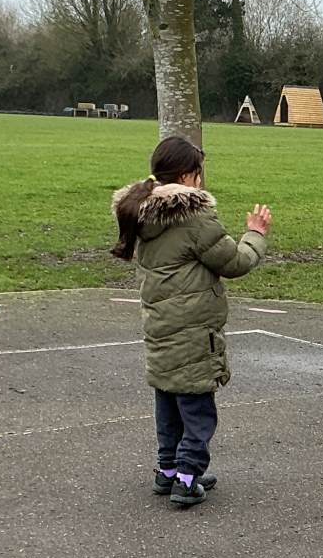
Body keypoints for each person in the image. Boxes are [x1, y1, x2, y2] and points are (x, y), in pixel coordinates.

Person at [111, 135, 272, 509]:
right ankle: (187, 478)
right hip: (193, 331)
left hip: (160, 326)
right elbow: (235, 262)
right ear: (187, 176)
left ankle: (168, 470)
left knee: (168, 403)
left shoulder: (142, 213)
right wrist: (256, 234)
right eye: (198, 173)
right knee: (198, 410)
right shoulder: (194, 218)